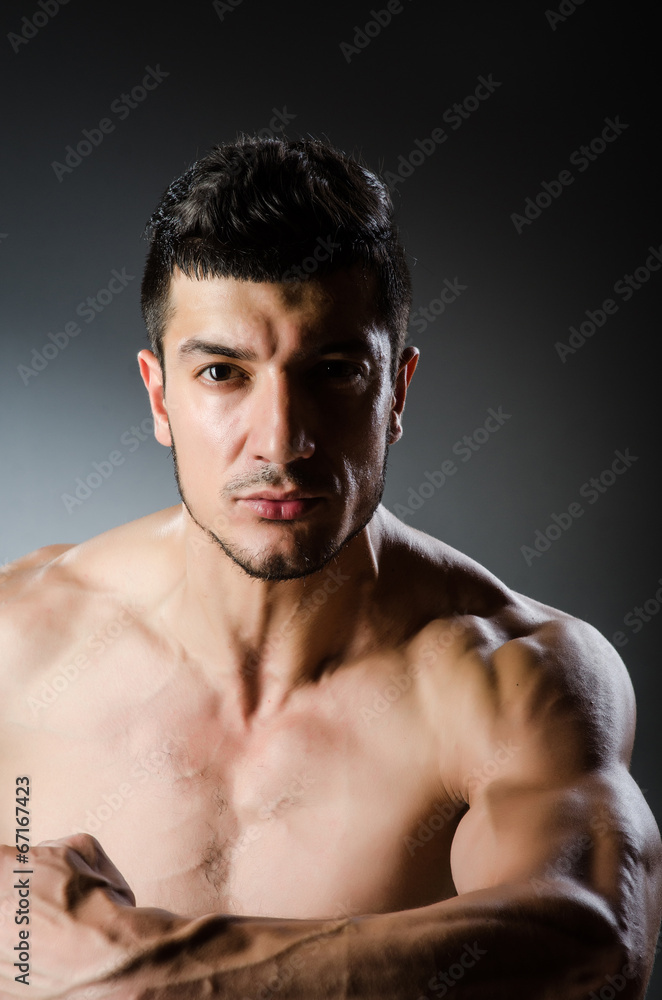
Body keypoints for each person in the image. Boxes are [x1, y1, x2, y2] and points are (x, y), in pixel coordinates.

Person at [0, 135, 660, 1000]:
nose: (281, 443)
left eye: (335, 372)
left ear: (397, 393)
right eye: (223, 372)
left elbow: (593, 947)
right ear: (160, 396)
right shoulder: (21, 641)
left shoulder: (516, 675)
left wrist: (140, 966)